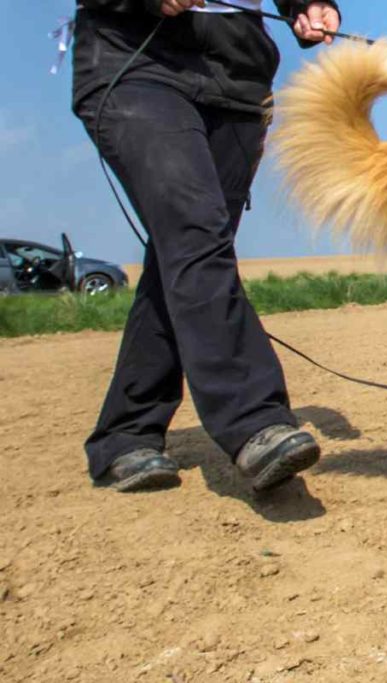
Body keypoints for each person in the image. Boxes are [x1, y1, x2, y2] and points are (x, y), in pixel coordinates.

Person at [72, 0, 341, 492]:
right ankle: (255, 421)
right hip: (137, 67)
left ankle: (125, 434)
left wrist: (309, 5)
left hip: (238, 87)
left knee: (188, 252)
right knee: (196, 236)